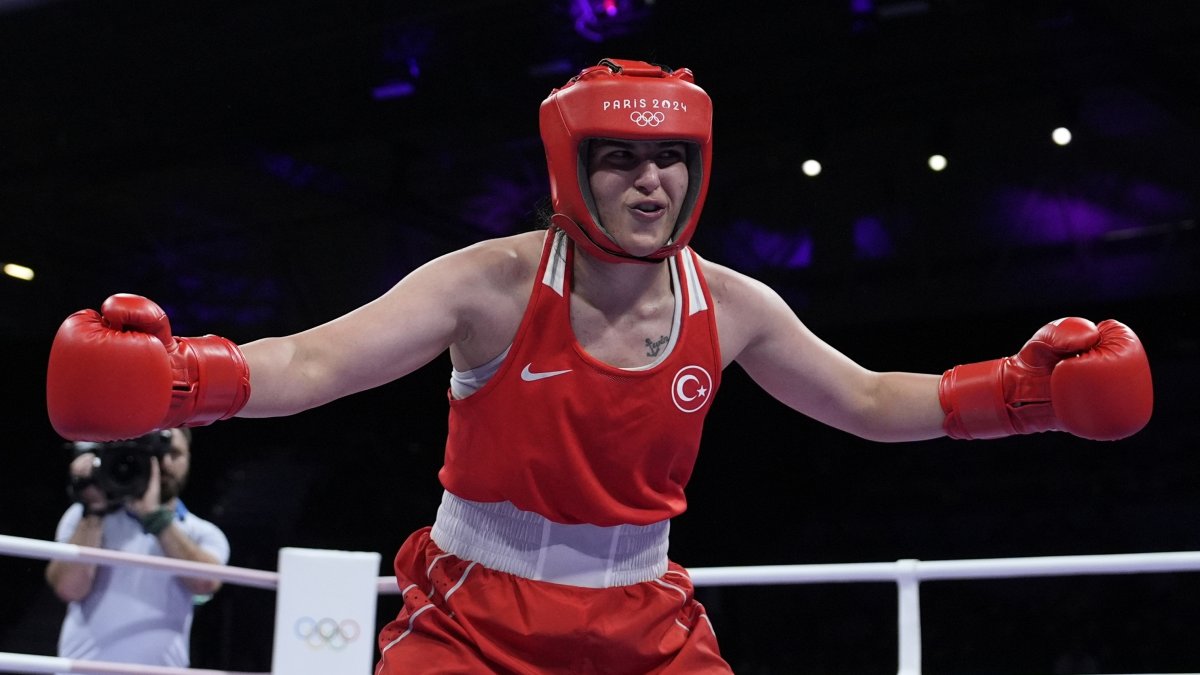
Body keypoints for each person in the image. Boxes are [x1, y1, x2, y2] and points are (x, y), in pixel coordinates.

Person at [44, 58, 1153, 673]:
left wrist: (1021, 397)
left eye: (670, 158)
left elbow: (865, 398)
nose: (650, 182)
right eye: (621, 158)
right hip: (474, 616)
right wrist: (184, 378)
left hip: (646, 618)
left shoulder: (732, 303)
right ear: (571, 169)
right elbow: (316, 360)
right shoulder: (491, 283)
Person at [45, 428, 230, 669]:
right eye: (157, 452)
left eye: (174, 453)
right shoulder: (83, 517)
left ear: (188, 459)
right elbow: (68, 589)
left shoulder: (203, 533)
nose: (165, 463)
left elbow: (205, 584)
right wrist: (95, 510)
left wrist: (154, 517)